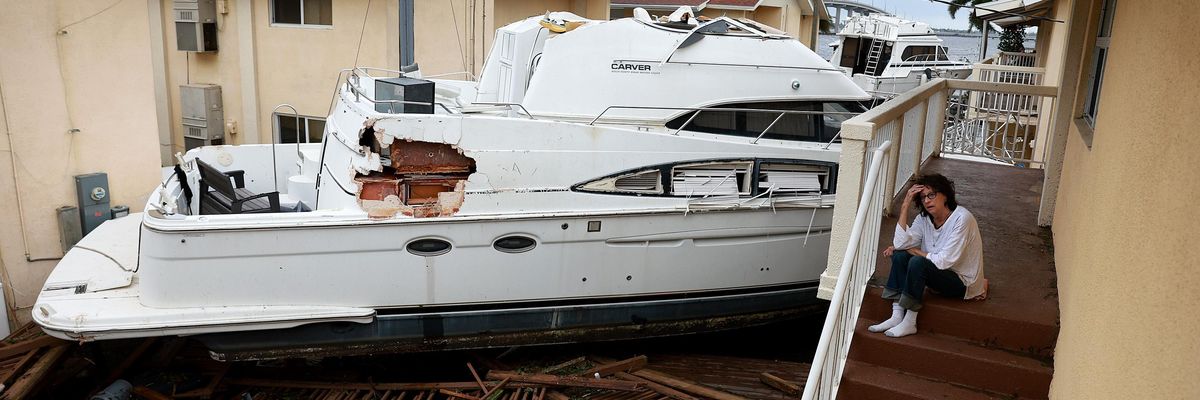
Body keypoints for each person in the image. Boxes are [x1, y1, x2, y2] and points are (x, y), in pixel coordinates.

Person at [868, 173, 986, 338]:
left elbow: (943, 261)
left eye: (932, 195)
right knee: (900, 255)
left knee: (917, 262)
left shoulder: (962, 219)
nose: (927, 201)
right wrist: (905, 204)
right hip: (938, 275)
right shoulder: (924, 218)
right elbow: (901, 244)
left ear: (945, 195)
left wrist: (914, 250)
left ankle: (910, 321)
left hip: (961, 283)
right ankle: (897, 315)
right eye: (923, 197)